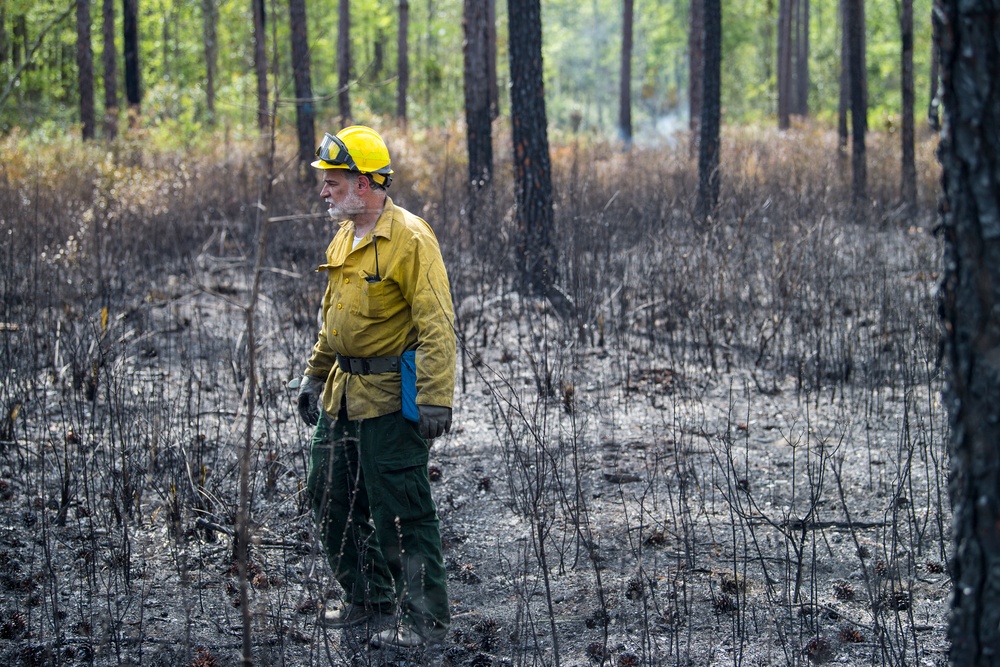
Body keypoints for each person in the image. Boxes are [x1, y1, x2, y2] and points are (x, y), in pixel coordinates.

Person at [295, 125, 456, 649]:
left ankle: (426, 623)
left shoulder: (410, 237)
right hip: (341, 396)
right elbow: (332, 319)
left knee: (402, 511)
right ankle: (369, 601)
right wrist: (314, 374)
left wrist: (434, 397)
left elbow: (436, 323)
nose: (324, 191)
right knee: (328, 491)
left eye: (334, 182)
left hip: (389, 402)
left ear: (364, 183)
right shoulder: (344, 235)